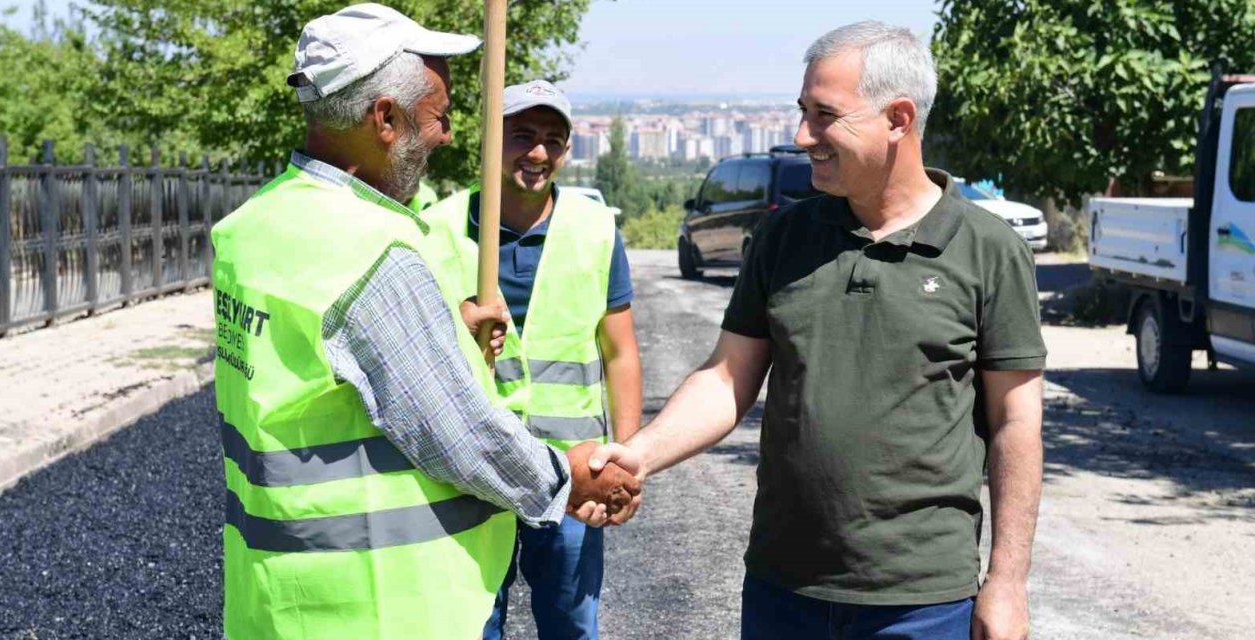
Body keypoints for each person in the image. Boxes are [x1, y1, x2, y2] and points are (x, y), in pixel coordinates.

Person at [592, 21, 1046, 640]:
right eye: (802, 111)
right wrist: (638, 454)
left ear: (898, 119)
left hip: (921, 604)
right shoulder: (784, 237)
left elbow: (1016, 424)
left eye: (825, 115)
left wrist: (1008, 581)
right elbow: (727, 379)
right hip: (785, 592)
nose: (803, 135)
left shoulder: (988, 250)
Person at [211, 5, 639, 639]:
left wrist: (445, 332)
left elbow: (320, 381)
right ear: (385, 118)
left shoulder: (253, 227)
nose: (444, 136)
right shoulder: (370, 249)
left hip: (278, 595)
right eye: (436, 116)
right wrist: (565, 477)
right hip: (377, 605)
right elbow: (460, 435)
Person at [423, 79, 642, 640]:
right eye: (522, 135)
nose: (538, 152)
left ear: (567, 150)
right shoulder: (437, 228)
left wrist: (627, 457)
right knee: (472, 625)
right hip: (472, 471)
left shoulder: (594, 229)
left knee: (571, 625)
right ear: (490, 140)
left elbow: (620, 352)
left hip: (571, 475)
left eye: (553, 139)